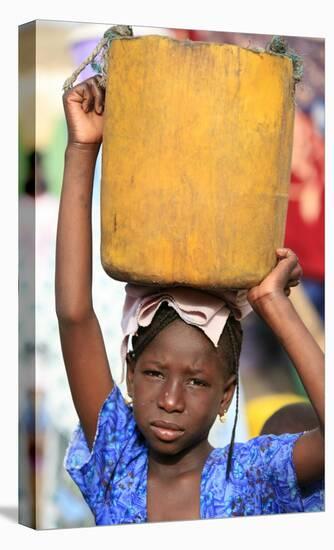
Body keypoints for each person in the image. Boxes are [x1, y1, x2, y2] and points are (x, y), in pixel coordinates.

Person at [55, 76, 324, 525]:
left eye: (198, 381)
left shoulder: (253, 481)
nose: (171, 400)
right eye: (155, 373)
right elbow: (74, 314)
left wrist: (272, 301)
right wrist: (82, 150)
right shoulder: (117, 462)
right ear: (130, 375)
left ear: (227, 395)